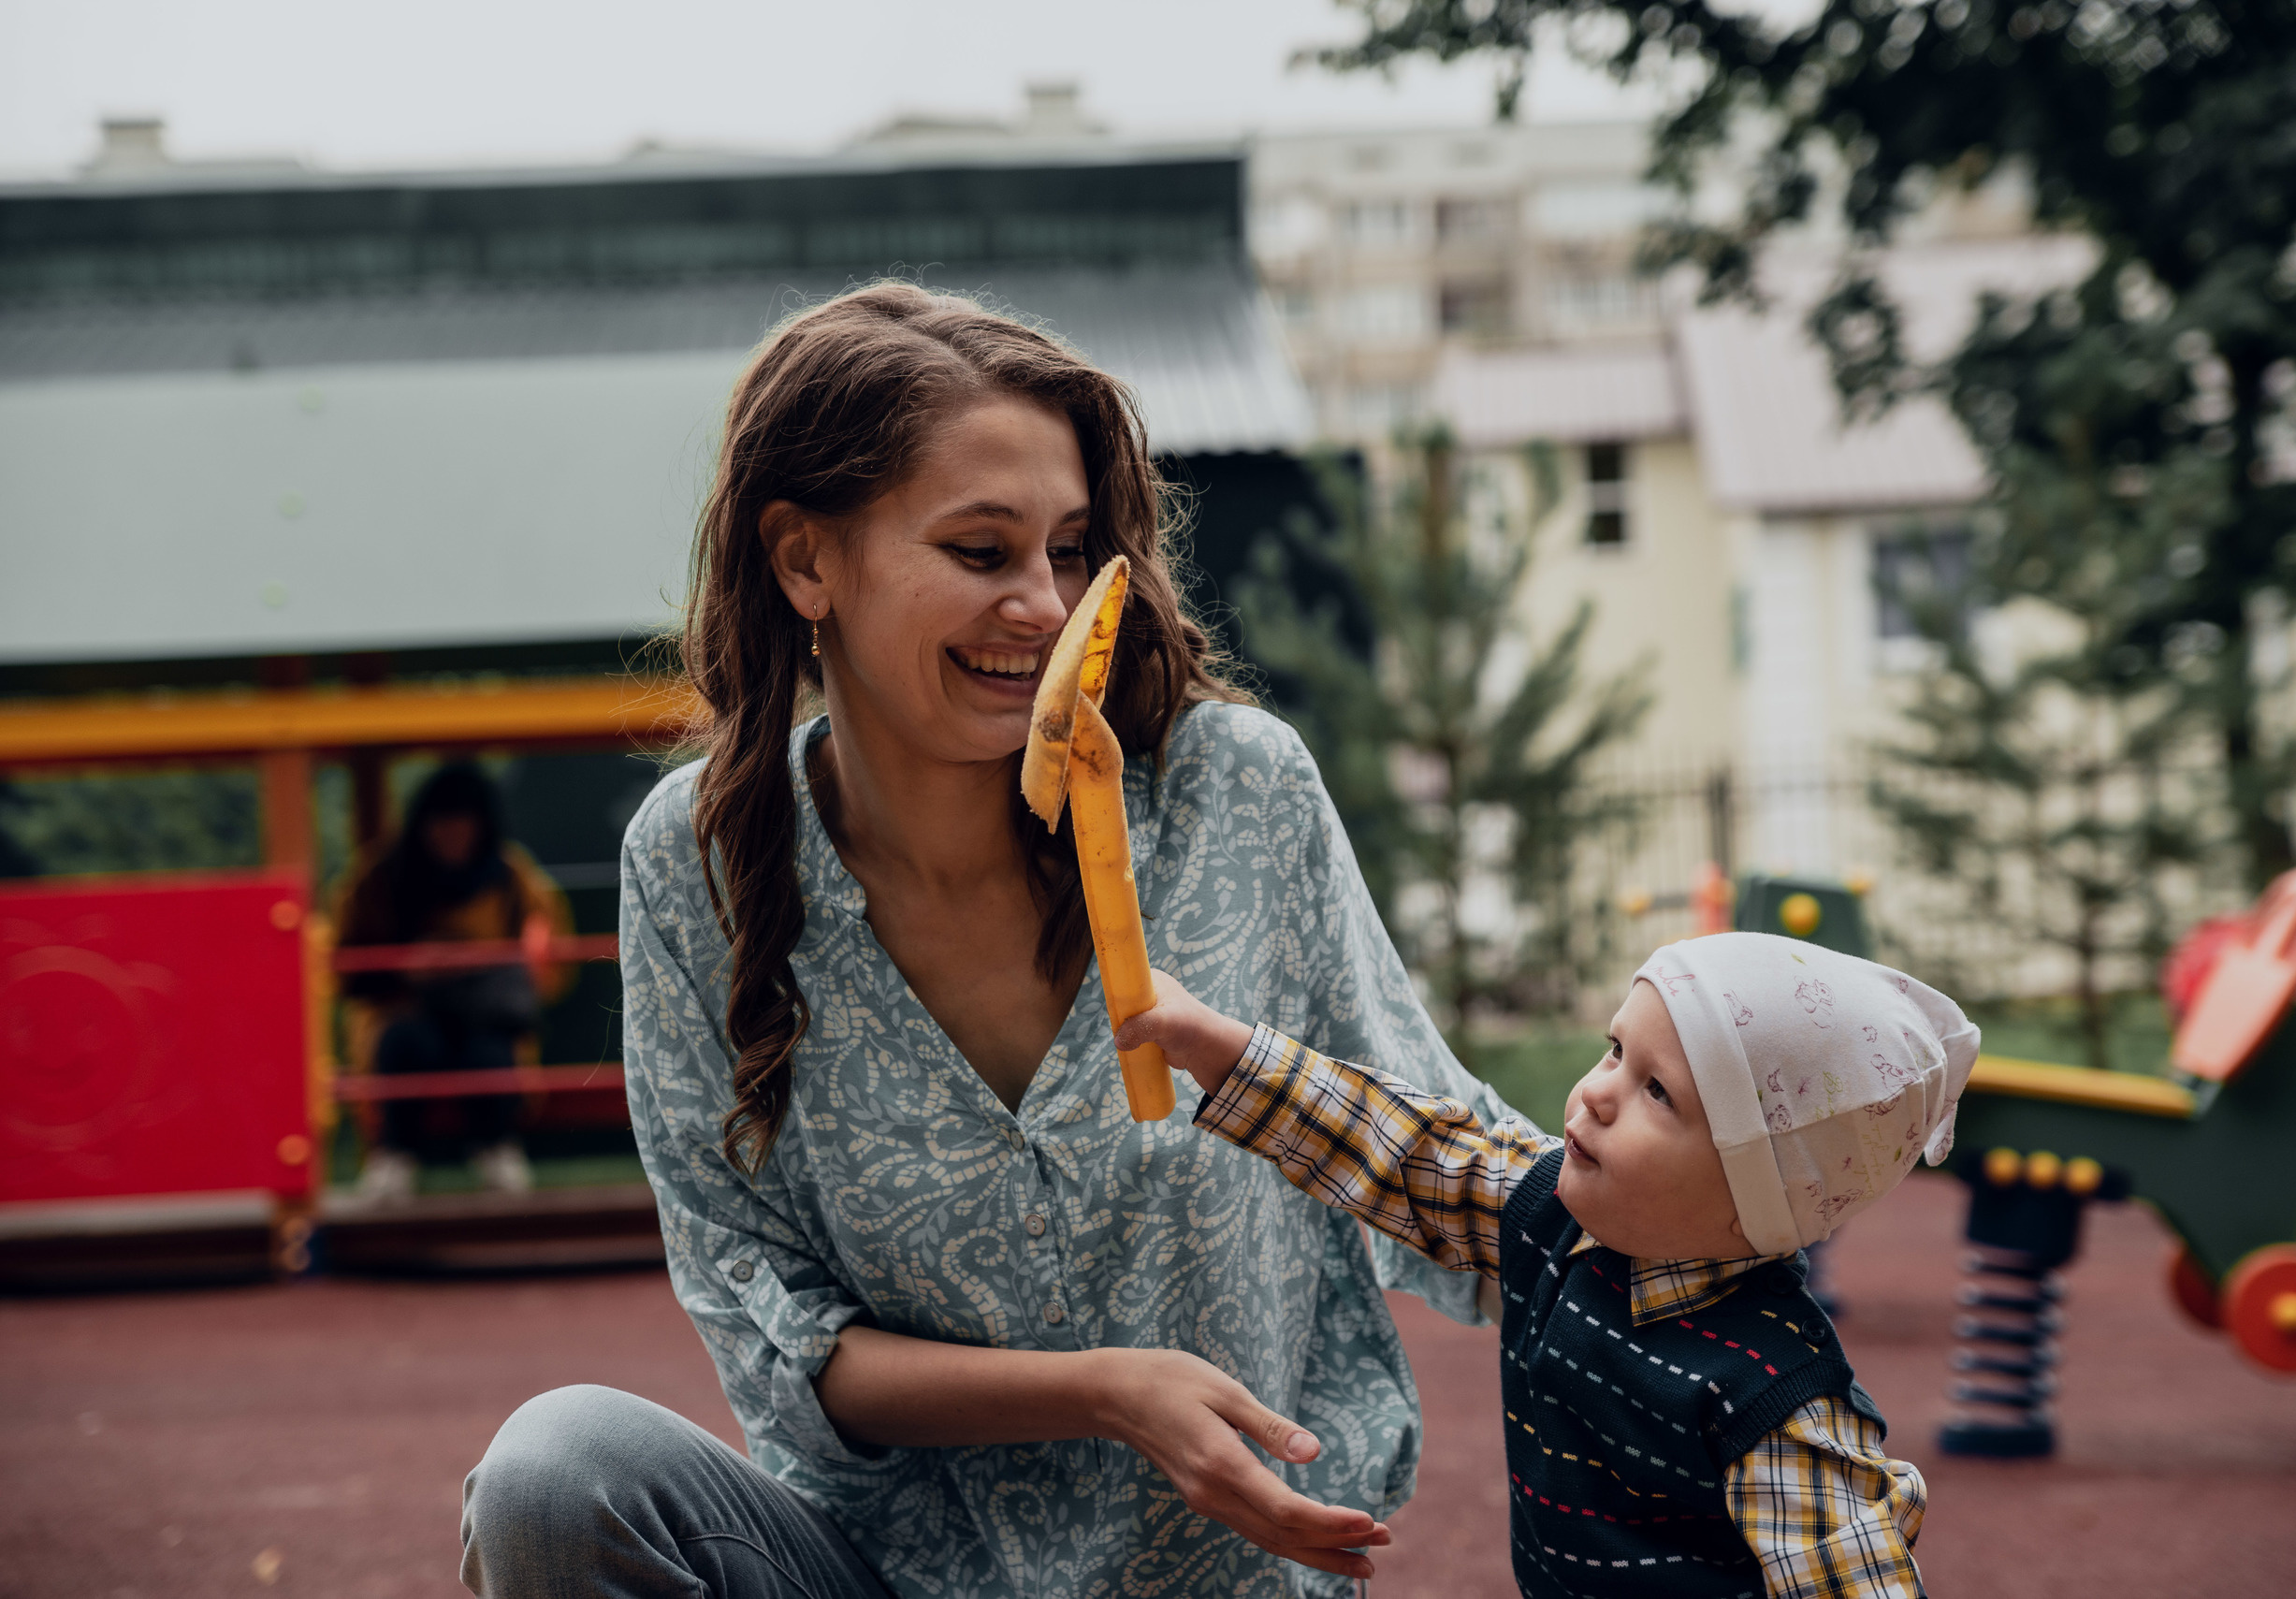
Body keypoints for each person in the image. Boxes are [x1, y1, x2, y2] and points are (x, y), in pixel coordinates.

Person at [458, 283, 1521, 1599]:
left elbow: (1434, 1149)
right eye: (982, 552)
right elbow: (782, 1343)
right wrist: (1107, 1393)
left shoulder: (1231, 793)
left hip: (1233, 1583)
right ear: (805, 561)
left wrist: (1687, 1168)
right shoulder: (699, 866)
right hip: (883, 1576)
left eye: (1071, 553)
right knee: (556, 1474)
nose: (1043, 603)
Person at [1117, 932, 1980, 1599]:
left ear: (1759, 1198)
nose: (1596, 1091)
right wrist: (1220, 1047)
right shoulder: (1558, 1224)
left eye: (1657, 1092)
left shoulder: (1771, 1399)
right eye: (1614, 1050)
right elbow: (1411, 1152)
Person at [333, 762, 574, 1201]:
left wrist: (480, 963)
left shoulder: (512, 877)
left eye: (465, 824)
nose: (453, 836)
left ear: (483, 827)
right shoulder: (378, 879)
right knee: (404, 1043)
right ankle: (392, 1159)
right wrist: (406, 969)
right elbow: (345, 965)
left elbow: (550, 957)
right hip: (401, 1012)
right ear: (421, 825)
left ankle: (498, 1152)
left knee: (492, 1053)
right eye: (443, 824)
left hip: (484, 1016)